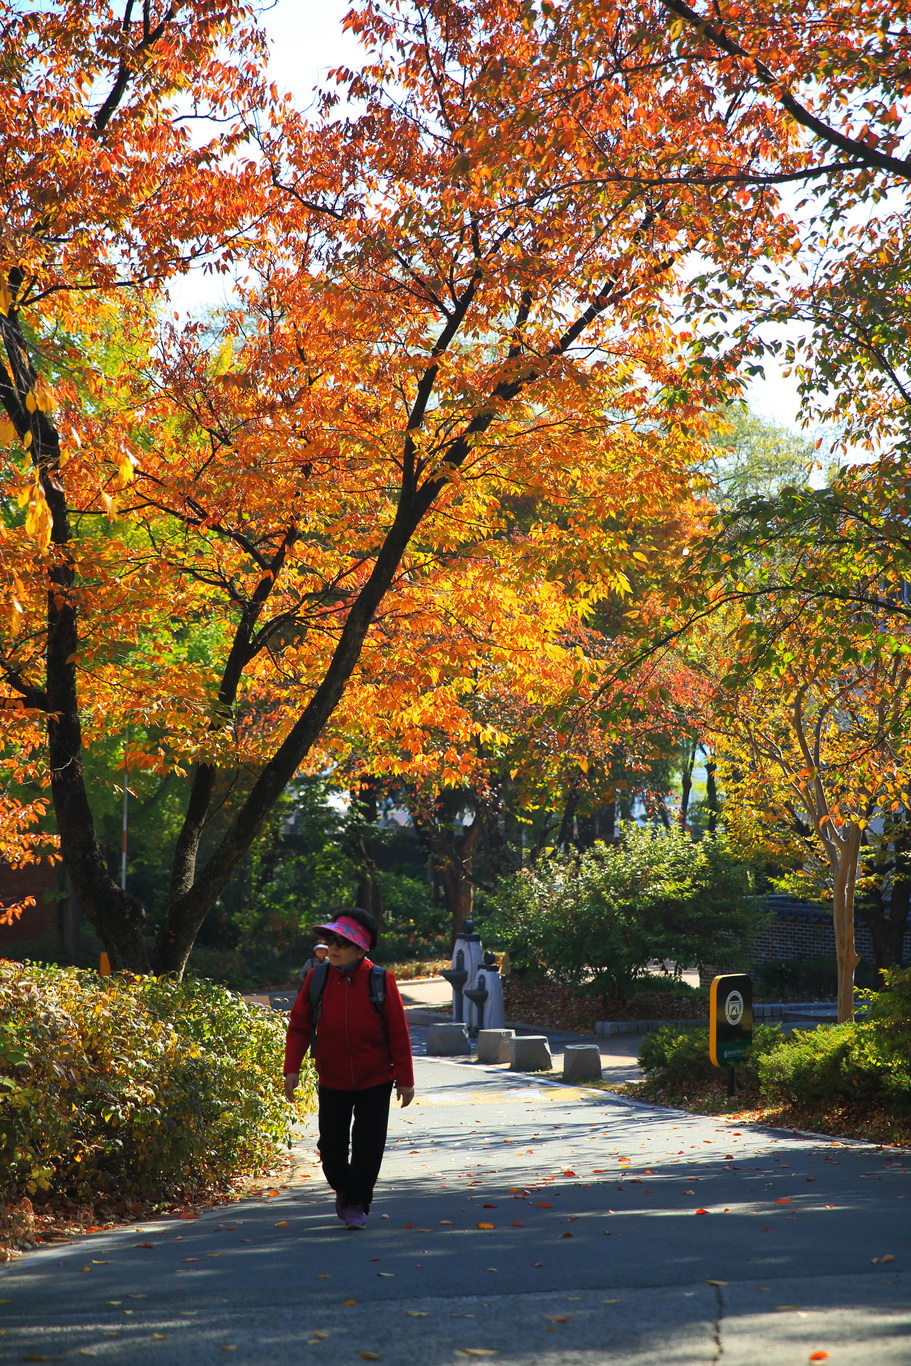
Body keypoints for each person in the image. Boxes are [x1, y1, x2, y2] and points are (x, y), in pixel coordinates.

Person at [283, 907, 414, 1231]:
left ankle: (357, 1202)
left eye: (343, 942)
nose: (334, 948)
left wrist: (405, 1080)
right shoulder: (317, 978)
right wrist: (292, 1069)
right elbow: (299, 1026)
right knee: (331, 1147)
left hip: (375, 1078)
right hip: (332, 1077)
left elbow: (398, 1032)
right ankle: (344, 1188)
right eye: (331, 941)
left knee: (369, 1144)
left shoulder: (380, 980)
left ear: (361, 948)